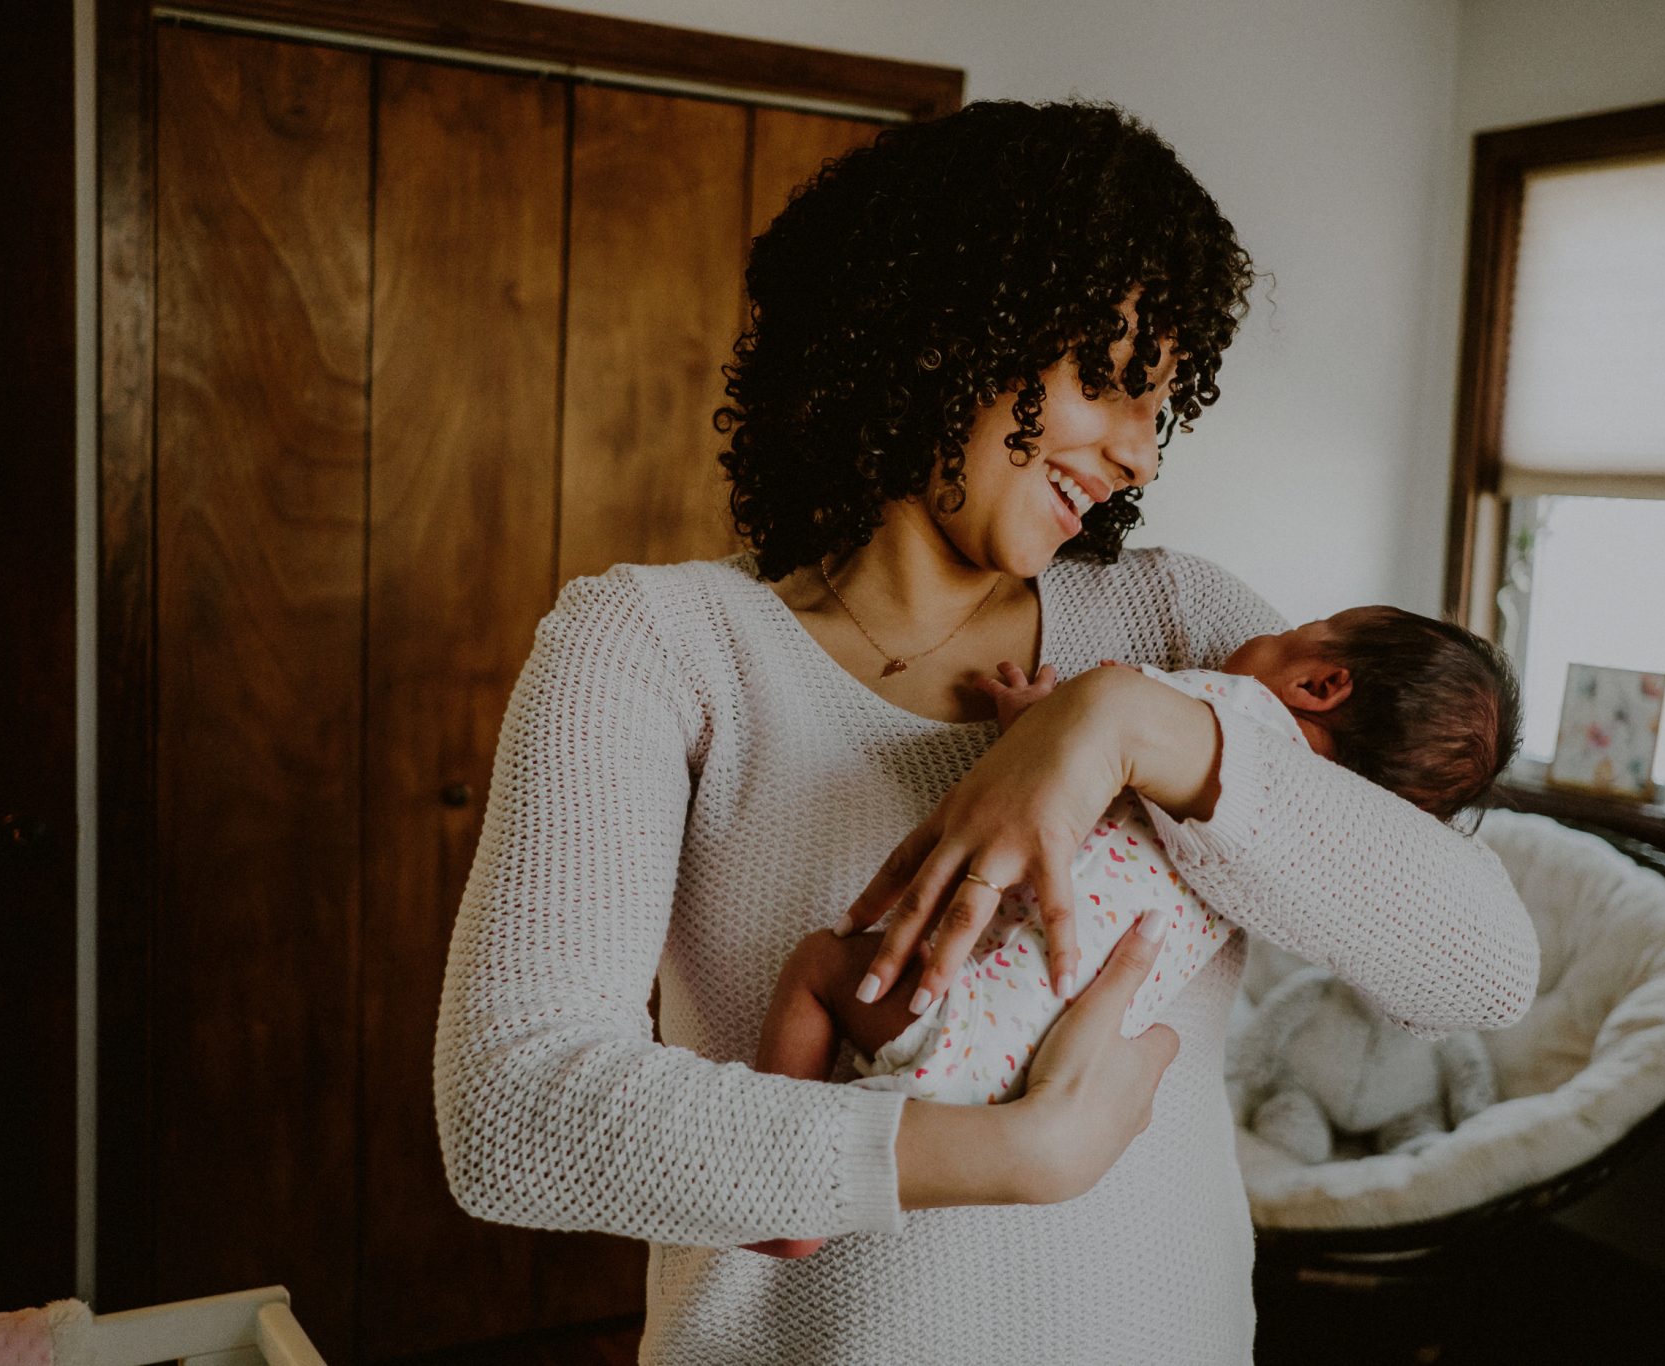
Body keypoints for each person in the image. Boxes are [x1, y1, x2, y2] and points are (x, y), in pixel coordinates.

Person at [431, 99, 1540, 1364]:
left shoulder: (1178, 626)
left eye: (1158, 410)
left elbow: (1484, 969)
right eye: (1103, 383)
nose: (1138, 455)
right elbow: (510, 1114)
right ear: (939, 336)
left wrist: (1121, 723)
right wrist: (1010, 1154)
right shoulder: (657, 646)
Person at [743, 609, 1519, 1256]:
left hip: (968, 1013)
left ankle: (779, 1198)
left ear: (1320, 684)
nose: (1274, 628)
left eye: (1307, 626)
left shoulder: (1228, 710)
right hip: (1039, 1075)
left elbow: (1078, 733)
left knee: (821, 962)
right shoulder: (1278, 838)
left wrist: (1034, 719)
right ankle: (807, 1207)